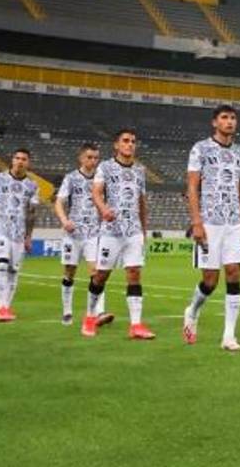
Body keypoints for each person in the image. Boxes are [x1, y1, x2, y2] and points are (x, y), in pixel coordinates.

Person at [182, 105, 240, 350]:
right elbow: (192, 187)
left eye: (233, 117)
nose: (229, 121)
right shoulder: (200, 149)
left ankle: (229, 336)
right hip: (209, 222)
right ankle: (192, 310)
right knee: (210, 280)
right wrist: (196, 222)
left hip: (233, 223)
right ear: (215, 122)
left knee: (234, 272)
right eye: (224, 117)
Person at [84, 129, 154, 339]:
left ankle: (136, 325)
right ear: (116, 145)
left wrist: (143, 230)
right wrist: (103, 209)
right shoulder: (105, 167)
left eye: (133, 141)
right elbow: (96, 193)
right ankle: (89, 317)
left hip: (133, 231)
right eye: (125, 140)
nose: (130, 144)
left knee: (134, 273)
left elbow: (141, 202)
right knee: (101, 275)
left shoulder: (140, 171)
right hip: (111, 231)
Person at [0, 149, 40, 322]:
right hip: (0, 229)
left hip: (19, 233)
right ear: (12, 160)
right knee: (2, 265)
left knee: (13, 270)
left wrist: (28, 236)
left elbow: (32, 213)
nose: (20, 161)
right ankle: (1, 307)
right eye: (17, 158)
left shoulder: (33, 186)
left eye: (24, 159)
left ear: (28, 163)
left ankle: (6, 307)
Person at [55, 142, 113, 327]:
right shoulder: (71, 178)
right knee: (69, 272)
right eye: (89, 157)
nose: (93, 161)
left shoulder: (101, 180)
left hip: (94, 234)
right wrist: (64, 220)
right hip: (73, 234)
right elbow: (59, 202)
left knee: (97, 272)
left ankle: (99, 312)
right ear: (81, 158)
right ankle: (67, 311)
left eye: (96, 158)